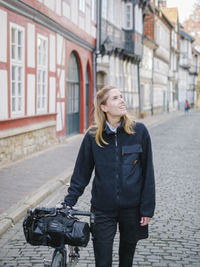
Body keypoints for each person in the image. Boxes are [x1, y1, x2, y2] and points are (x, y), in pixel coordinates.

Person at [63, 85, 156, 267]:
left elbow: (148, 174)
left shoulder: (139, 132)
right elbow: (81, 174)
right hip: (102, 209)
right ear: (103, 107)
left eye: (121, 96)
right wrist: (69, 202)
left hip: (132, 209)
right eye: (115, 98)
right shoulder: (92, 136)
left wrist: (147, 208)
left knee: (126, 261)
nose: (122, 100)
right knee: (103, 261)